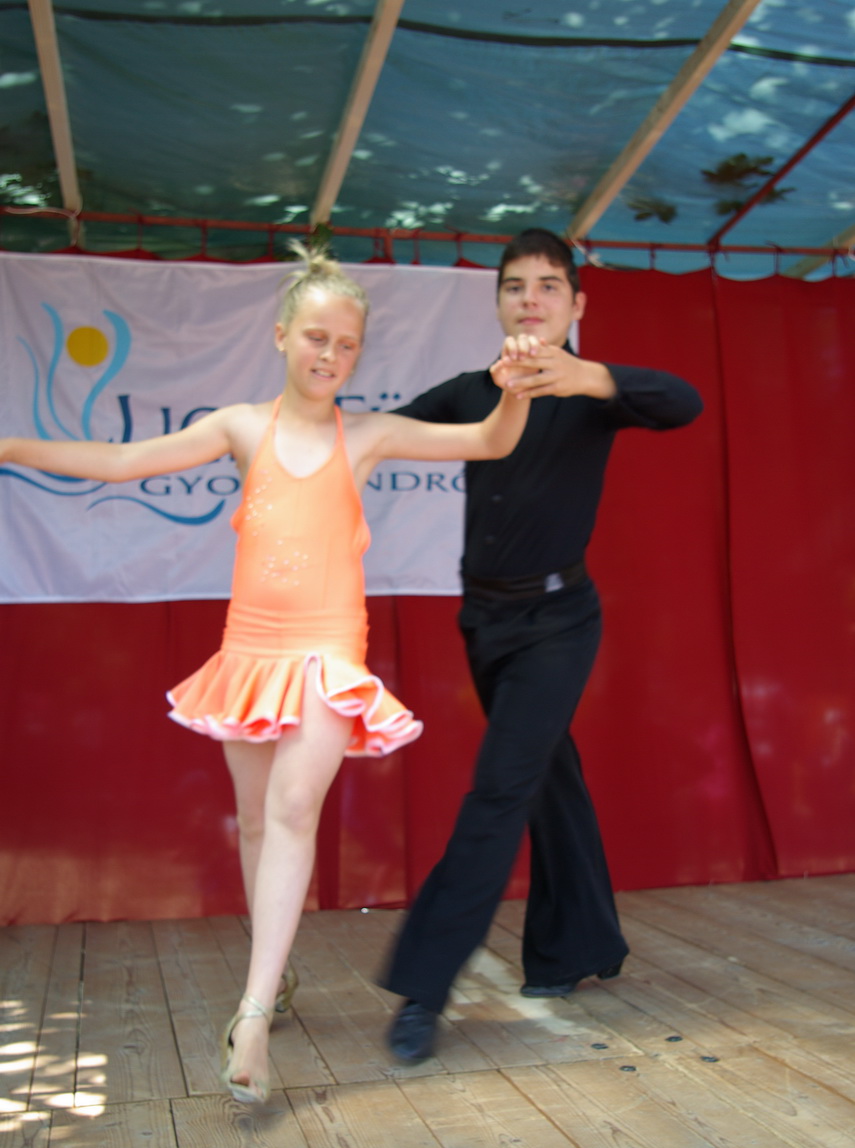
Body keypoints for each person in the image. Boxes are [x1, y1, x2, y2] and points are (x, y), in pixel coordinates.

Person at [1, 244, 538, 1103]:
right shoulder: (238, 428)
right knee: (256, 822)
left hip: (328, 654)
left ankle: (250, 1016)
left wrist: (513, 389)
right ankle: (274, 972)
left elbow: (487, 439)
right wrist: (10, 444)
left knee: (291, 808)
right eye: (317, 337)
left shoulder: (368, 435)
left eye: (347, 344)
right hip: (250, 653)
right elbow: (122, 463)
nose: (330, 355)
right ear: (282, 334)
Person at [382, 227, 704, 1062]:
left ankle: (423, 989)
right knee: (546, 780)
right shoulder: (470, 393)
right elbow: (374, 434)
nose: (530, 299)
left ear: (574, 303)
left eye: (547, 286)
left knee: (499, 790)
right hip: (483, 621)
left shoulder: (594, 391)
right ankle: (576, 947)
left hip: (558, 624)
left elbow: (684, 403)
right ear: (498, 301)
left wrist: (592, 376)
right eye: (515, 286)